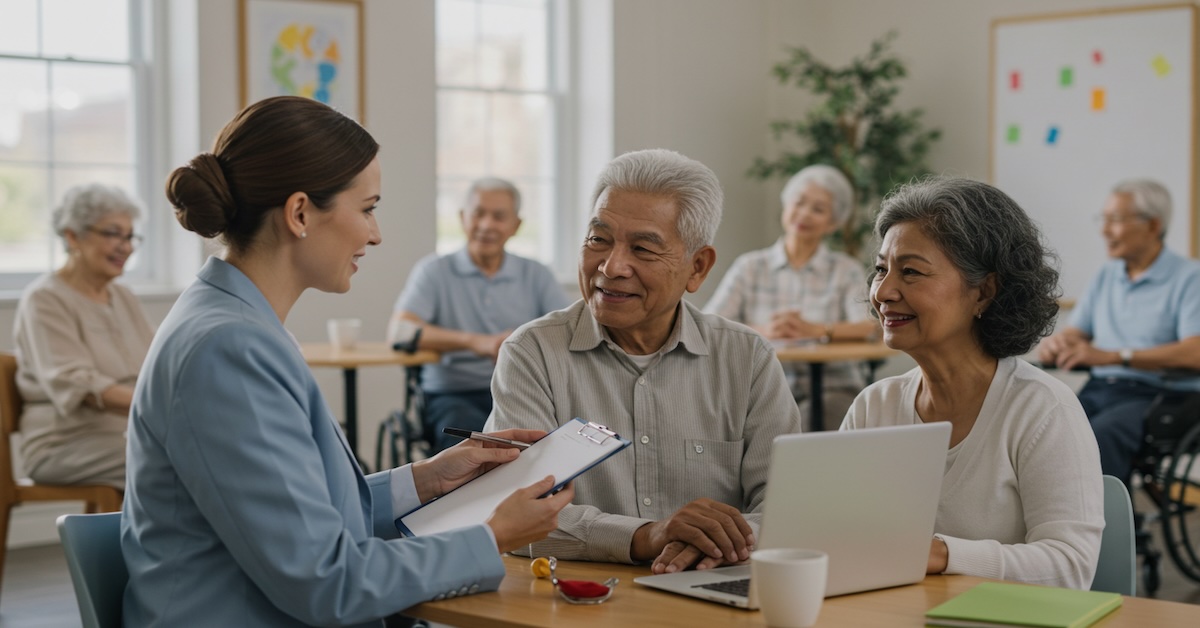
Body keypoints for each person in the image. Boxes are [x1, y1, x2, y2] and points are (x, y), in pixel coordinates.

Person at [122, 96, 575, 627]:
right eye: (367, 208)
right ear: (299, 214)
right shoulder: (229, 350)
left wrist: (427, 479)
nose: (375, 234)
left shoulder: (236, 323)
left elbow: (305, 518)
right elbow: (326, 581)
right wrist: (492, 535)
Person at [485, 148, 802, 574]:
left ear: (698, 267)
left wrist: (710, 543)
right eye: (599, 239)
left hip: (712, 594)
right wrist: (647, 537)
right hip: (577, 601)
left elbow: (788, 507)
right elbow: (515, 515)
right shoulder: (533, 353)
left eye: (643, 248)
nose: (612, 266)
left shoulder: (747, 359)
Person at [841, 177, 1104, 589]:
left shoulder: (1042, 409)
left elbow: (1070, 567)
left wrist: (943, 553)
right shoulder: (874, 406)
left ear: (984, 292)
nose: (884, 291)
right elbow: (840, 537)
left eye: (910, 272)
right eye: (880, 270)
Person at [1039, 179, 1200, 482]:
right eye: (1104, 219)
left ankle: (1107, 527)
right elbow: (1078, 333)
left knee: (1098, 438)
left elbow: (1195, 352)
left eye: (1115, 221)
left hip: (1162, 398)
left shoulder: (1190, 278)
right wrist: (1061, 343)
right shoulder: (1107, 274)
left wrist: (1115, 356)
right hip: (1103, 390)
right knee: (1042, 430)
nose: (1104, 231)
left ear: (1152, 225)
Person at [391, 177, 568, 453]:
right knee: (474, 450)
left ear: (516, 226)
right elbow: (400, 332)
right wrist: (477, 342)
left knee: (549, 445)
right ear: (463, 218)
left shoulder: (536, 274)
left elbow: (567, 330)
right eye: (478, 214)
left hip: (523, 391)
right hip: (453, 394)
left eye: (499, 216)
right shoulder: (434, 271)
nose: (487, 225)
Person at [705, 165, 878, 428]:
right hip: (761, 388)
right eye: (799, 203)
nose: (804, 214)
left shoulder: (846, 270)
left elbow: (870, 325)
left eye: (818, 209)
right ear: (786, 207)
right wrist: (766, 330)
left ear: (833, 223)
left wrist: (816, 329)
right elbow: (711, 323)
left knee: (806, 424)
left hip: (834, 387)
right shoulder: (750, 266)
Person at [13, 183, 154, 490]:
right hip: (64, 443)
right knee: (175, 458)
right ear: (72, 235)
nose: (126, 246)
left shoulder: (124, 296)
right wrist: (157, 406)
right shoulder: (44, 299)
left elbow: (157, 364)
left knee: (204, 448)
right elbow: (76, 383)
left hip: (127, 431)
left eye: (130, 236)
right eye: (112, 233)